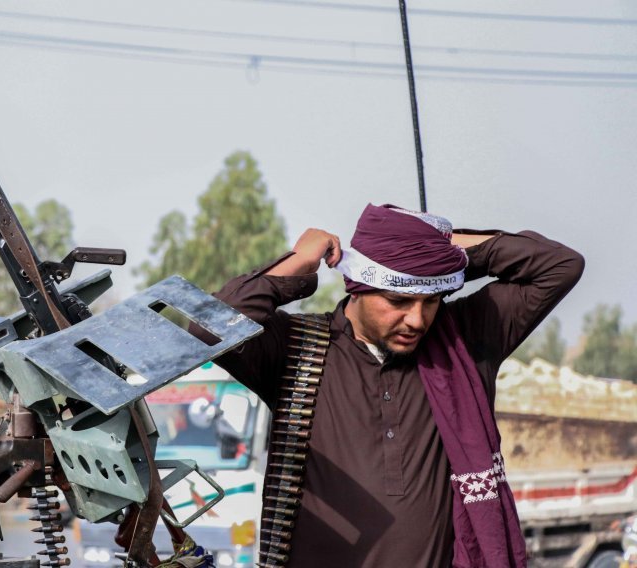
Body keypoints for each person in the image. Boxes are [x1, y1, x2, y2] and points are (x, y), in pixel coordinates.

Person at [206, 203, 584, 567]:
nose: (417, 320)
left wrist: (444, 246)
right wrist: (299, 262)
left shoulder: (462, 343)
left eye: (431, 300)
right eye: (398, 300)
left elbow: (561, 266)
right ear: (358, 287)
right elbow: (207, 328)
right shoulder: (296, 347)